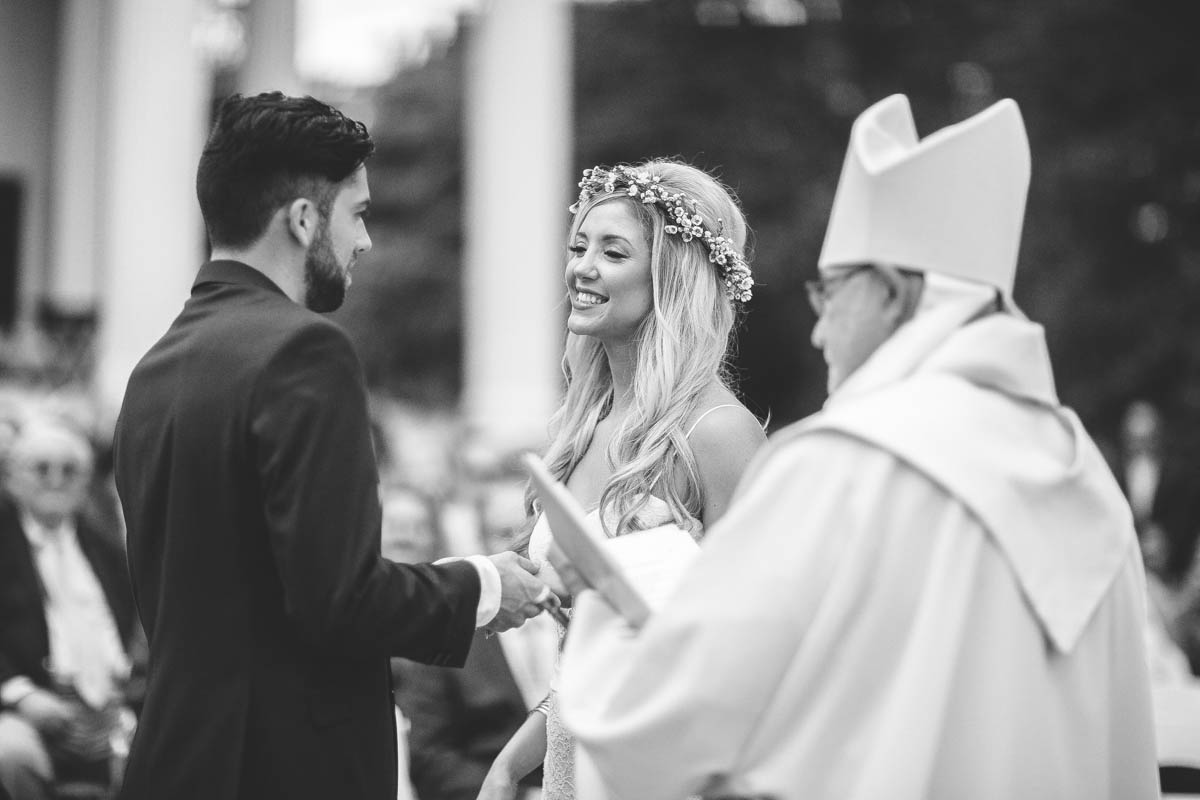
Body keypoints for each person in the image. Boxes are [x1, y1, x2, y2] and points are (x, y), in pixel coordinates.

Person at [553, 95, 1160, 799]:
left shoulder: (841, 468)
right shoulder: (1088, 479)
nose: (819, 331)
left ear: (896, 296)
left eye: (831, 294)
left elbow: (683, 726)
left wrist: (601, 603)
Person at [111, 92, 548, 800]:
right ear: (305, 218)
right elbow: (339, 599)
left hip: (174, 761)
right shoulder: (304, 352)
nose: (365, 241)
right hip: (283, 768)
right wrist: (485, 584)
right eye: (359, 213)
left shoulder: (151, 370)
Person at [478, 159, 767, 800]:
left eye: (613, 252)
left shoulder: (718, 433)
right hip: (569, 758)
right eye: (579, 246)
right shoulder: (586, 424)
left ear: (669, 277)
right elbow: (588, 651)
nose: (581, 267)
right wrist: (509, 765)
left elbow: (757, 645)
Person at [0, 414, 138, 800]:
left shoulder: (108, 550)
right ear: (12, 477)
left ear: (84, 482)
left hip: (111, 708)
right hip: (24, 704)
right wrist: (21, 695)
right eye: (41, 468)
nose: (55, 479)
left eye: (69, 469)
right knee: (10, 755)